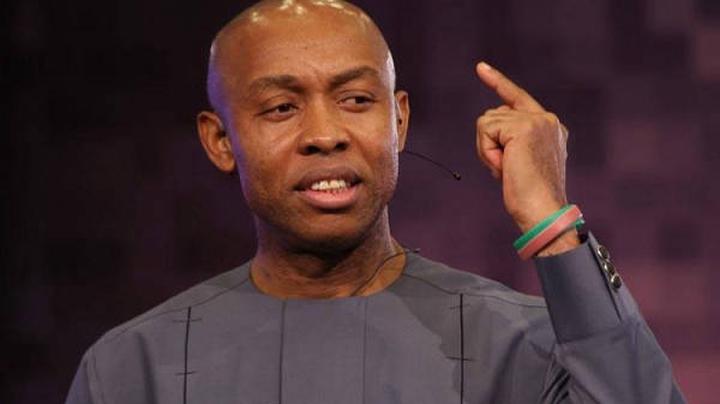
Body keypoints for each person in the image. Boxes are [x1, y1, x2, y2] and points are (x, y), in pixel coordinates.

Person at [65, 0, 685, 403]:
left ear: (399, 121)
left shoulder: (529, 345)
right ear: (221, 140)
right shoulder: (130, 370)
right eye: (281, 107)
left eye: (357, 100)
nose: (325, 134)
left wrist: (551, 219)